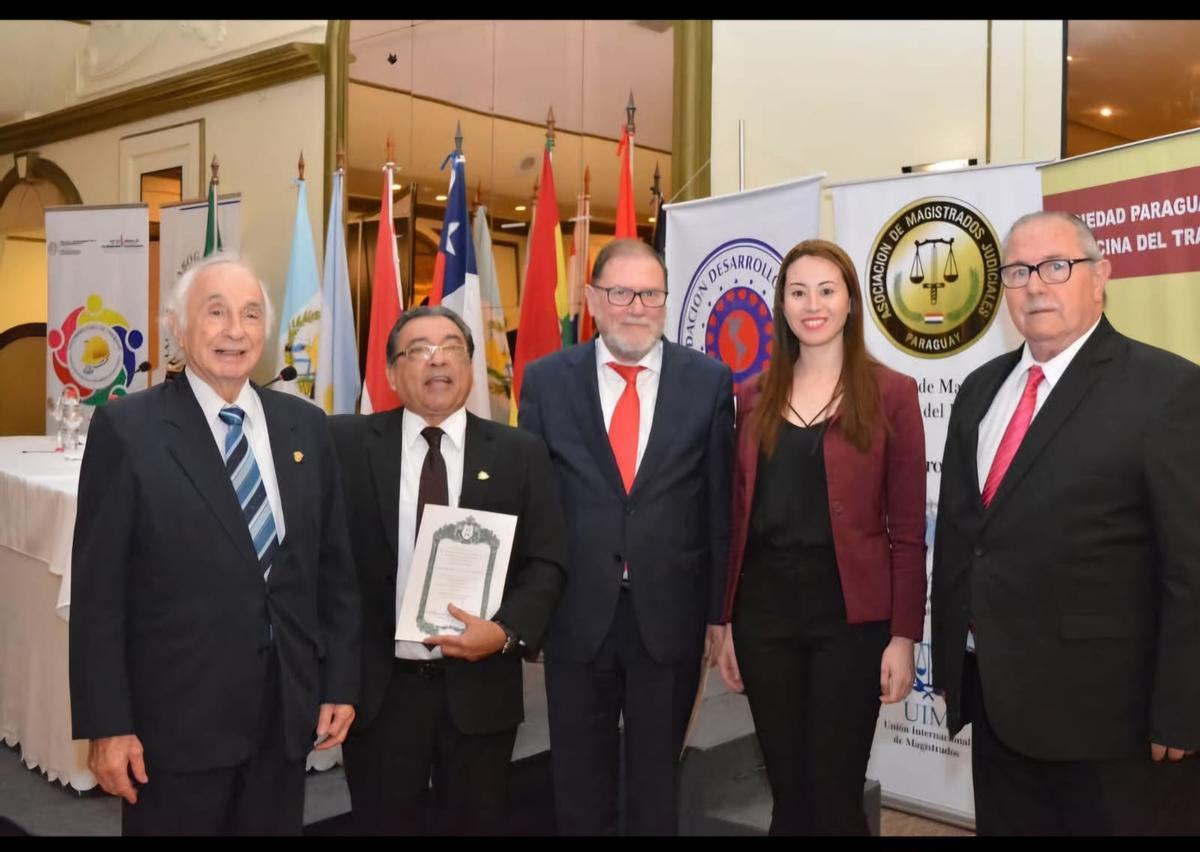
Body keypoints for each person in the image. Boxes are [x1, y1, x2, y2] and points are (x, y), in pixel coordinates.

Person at [69, 255, 361, 836]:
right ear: (177, 328)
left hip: (283, 717)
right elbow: (98, 595)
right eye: (216, 312)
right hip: (174, 729)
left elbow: (333, 572)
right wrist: (109, 724)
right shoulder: (127, 430)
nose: (235, 330)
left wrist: (339, 682)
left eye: (251, 314)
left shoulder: (307, 427)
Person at [930, 210, 1200, 835]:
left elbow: (1190, 569)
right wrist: (952, 669)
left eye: (1056, 266)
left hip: (1110, 724)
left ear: (1100, 277)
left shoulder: (1167, 390)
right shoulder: (979, 390)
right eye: (1019, 270)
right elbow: (969, 542)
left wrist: (1183, 709)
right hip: (996, 706)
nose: (1034, 285)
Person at [518, 238, 734, 835]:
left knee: (653, 790)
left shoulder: (709, 382)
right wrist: (527, 613)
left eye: (650, 294)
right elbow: (531, 506)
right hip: (574, 617)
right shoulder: (545, 381)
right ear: (592, 299)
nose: (636, 307)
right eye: (620, 293)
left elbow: (719, 507)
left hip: (670, 618)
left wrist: (720, 612)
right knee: (578, 788)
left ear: (665, 300)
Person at [716, 238, 926, 835]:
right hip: (765, 620)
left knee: (834, 798)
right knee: (788, 795)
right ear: (781, 305)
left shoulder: (892, 395)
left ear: (851, 303)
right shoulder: (751, 397)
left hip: (853, 624)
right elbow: (737, 520)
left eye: (827, 290)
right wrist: (728, 622)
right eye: (799, 291)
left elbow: (909, 533)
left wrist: (903, 637)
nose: (813, 304)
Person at [330, 305, 566, 835]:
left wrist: (505, 633)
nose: (437, 361)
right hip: (381, 694)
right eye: (418, 350)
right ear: (391, 373)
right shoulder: (344, 446)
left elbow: (546, 562)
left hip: (481, 692)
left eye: (452, 348)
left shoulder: (519, 453)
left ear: (472, 365)